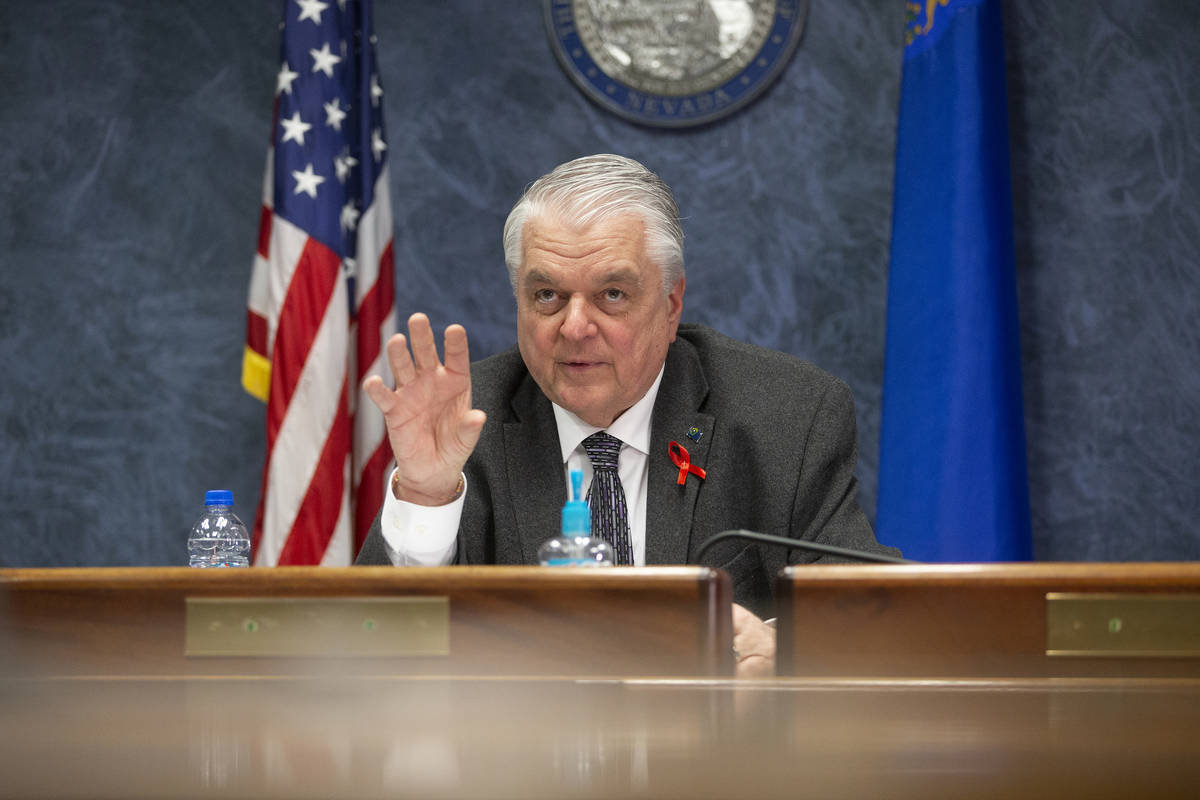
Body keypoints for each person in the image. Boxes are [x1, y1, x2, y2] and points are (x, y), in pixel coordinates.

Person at [356, 154, 899, 677]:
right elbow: (369, 649)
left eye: (611, 294)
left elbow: (873, 616)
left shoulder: (785, 416)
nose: (573, 327)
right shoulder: (464, 423)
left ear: (670, 306)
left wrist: (783, 651)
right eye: (547, 294)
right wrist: (426, 496)